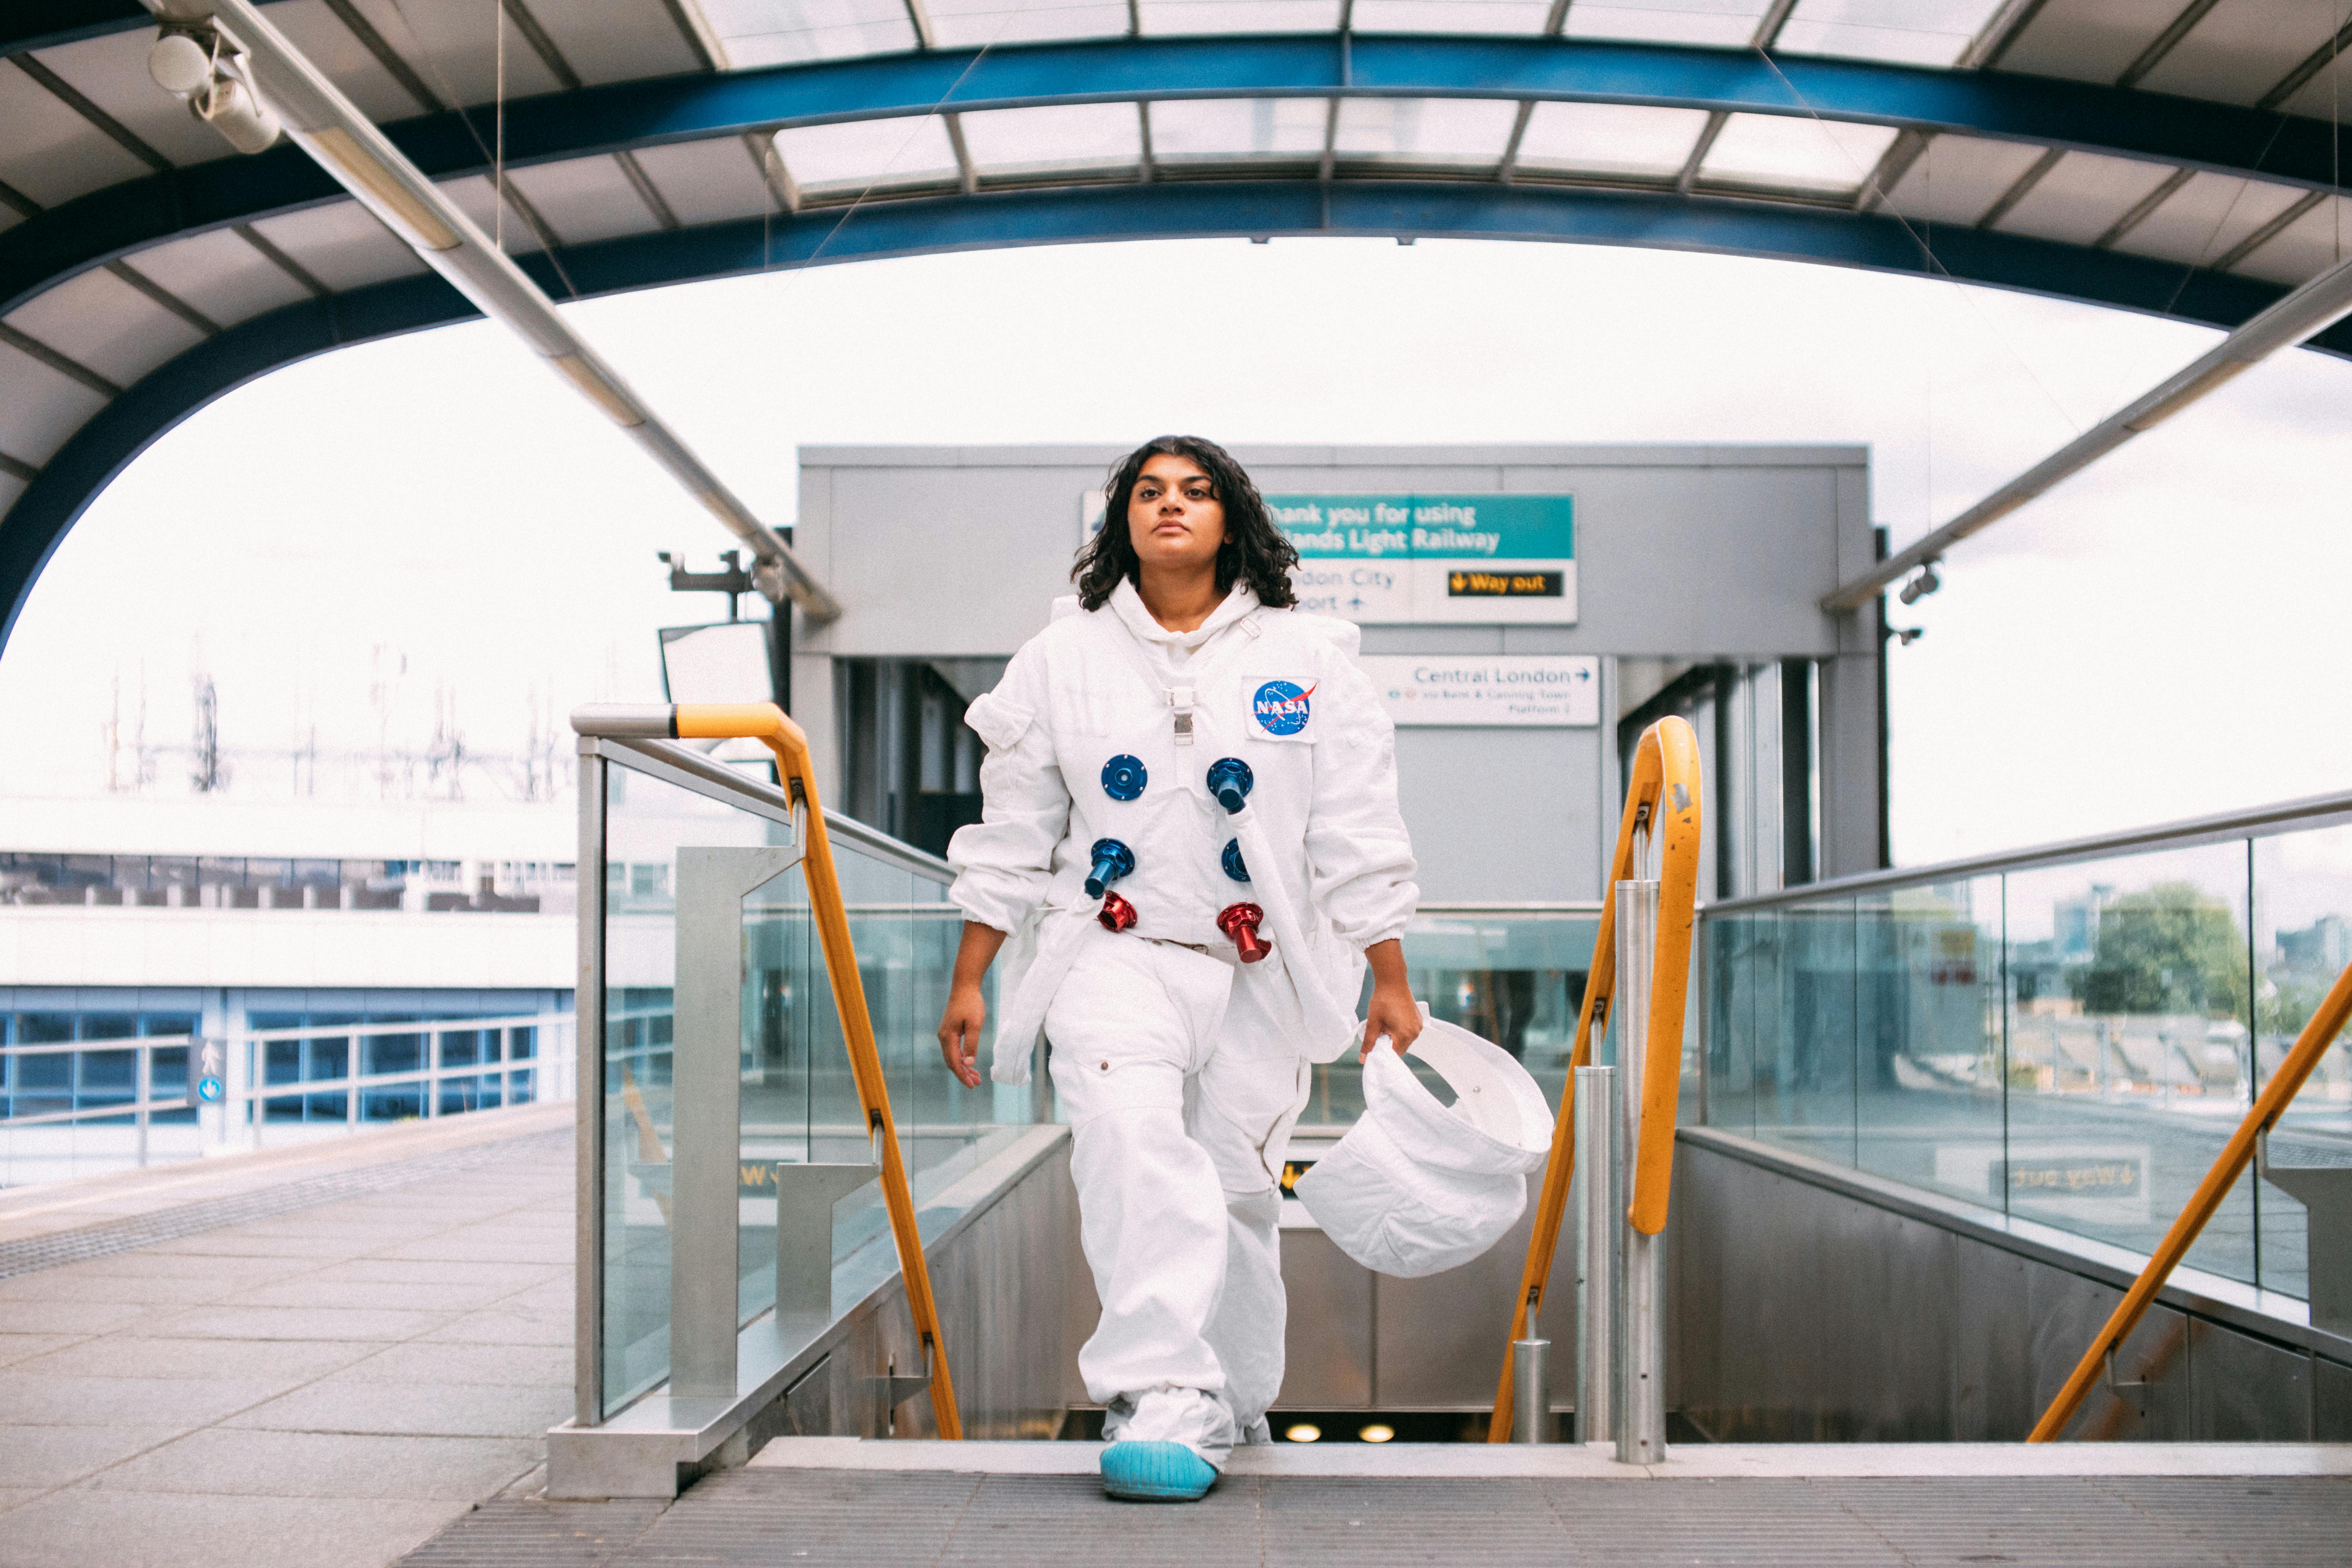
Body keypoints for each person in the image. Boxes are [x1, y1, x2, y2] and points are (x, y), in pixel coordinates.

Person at [936, 435, 1421, 1502]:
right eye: (1148, 493)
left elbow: (1354, 828)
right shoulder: (1059, 663)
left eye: (1195, 492)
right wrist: (973, 974)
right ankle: (1158, 1391)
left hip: (1262, 972)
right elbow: (1012, 832)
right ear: (1121, 524)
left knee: (1237, 1188)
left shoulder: (1309, 661)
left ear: (1229, 520)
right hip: (1114, 954)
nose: (1170, 507)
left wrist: (1388, 972)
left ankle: (1231, 1397)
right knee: (1130, 1150)